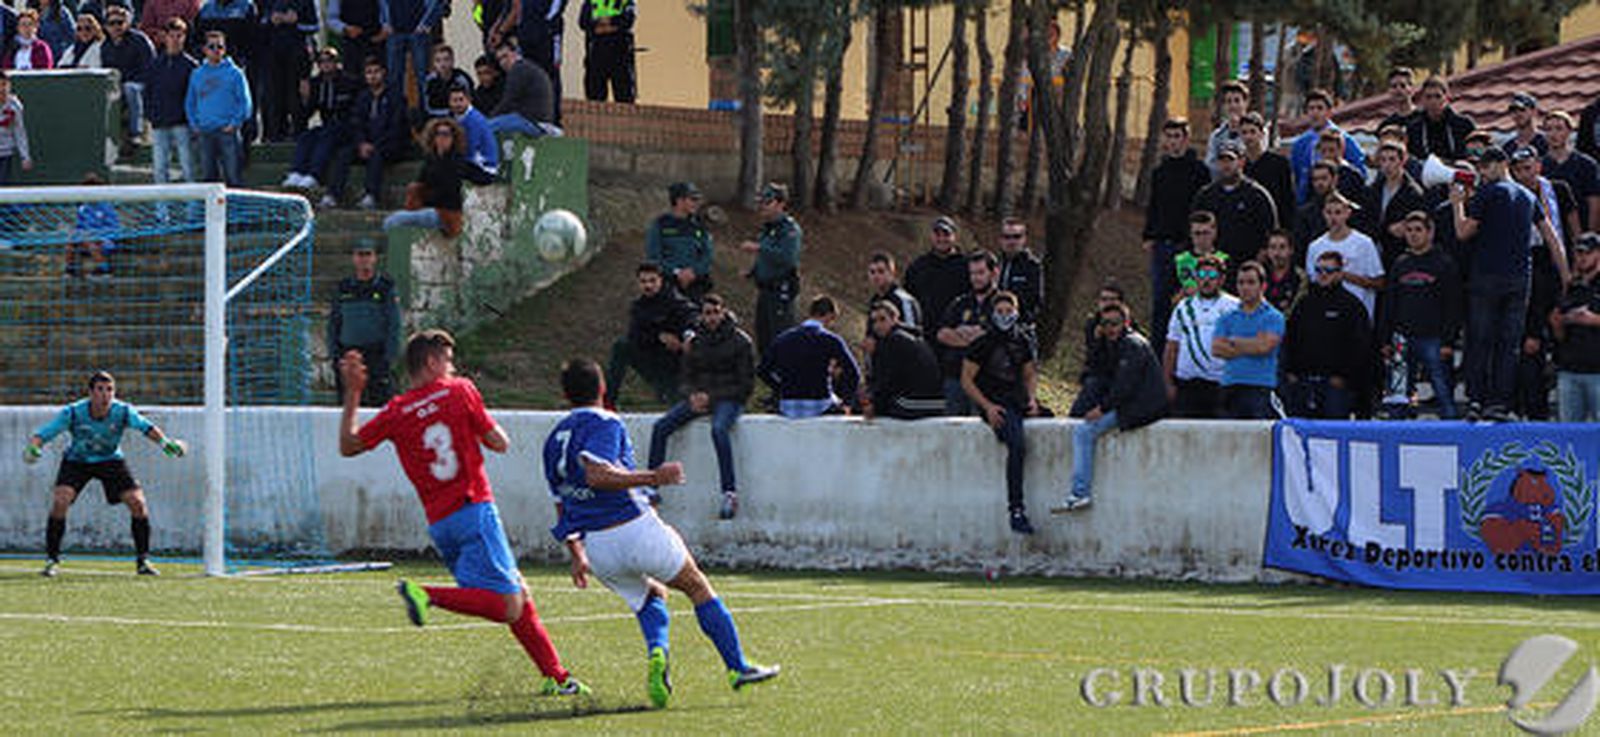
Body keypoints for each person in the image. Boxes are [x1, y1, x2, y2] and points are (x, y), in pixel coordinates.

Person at [338, 331, 590, 698]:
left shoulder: (396, 410)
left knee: (518, 593)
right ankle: (425, 594)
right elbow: (498, 441)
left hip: (441, 525)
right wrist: (486, 431)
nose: (452, 367)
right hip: (475, 510)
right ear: (432, 363)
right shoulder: (459, 390)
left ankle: (557, 676)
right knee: (508, 604)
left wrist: (353, 393)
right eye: (448, 360)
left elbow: (348, 446)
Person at [544, 357, 780, 710]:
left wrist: (577, 553)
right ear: (603, 389)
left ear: (565, 395)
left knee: (652, 596)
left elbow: (561, 503)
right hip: (632, 528)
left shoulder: (553, 440)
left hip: (599, 549)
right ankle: (737, 667)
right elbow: (598, 475)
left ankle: (658, 651)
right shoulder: (605, 421)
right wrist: (655, 477)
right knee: (696, 586)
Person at [24, 371, 188, 577]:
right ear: (90, 393)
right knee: (60, 500)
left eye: (109, 390)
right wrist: (33, 448)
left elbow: (146, 428)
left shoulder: (123, 411)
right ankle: (51, 560)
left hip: (111, 460)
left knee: (137, 503)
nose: (105, 395)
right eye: (100, 390)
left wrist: (165, 443)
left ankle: (143, 561)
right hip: (77, 461)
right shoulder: (74, 412)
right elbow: (45, 433)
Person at [1452, 146, 1570, 422]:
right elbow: (1552, 238)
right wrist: (1565, 276)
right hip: (1520, 278)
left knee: (1480, 340)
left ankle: (1476, 400)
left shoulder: (1488, 192)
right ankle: (1500, 404)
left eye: (1486, 166)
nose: (1482, 172)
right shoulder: (1529, 196)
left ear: (1500, 165)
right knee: (1509, 344)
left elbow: (1463, 232)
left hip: (1487, 276)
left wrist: (1457, 203)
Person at [647, 293, 754, 520]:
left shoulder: (741, 341)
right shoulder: (695, 342)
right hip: (700, 397)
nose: (712, 318)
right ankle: (652, 486)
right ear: (702, 316)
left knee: (718, 430)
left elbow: (745, 385)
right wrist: (692, 395)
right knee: (661, 426)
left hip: (729, 399)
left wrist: (711, 397)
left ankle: (729, 492)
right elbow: (685, 376)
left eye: (716, 312)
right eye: (707, 313)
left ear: (724, 312)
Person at [1054, 300, 1166, 514]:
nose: (1110, 328)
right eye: (1105, 324)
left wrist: (1102, 409)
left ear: (1126, 323)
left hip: (1143, 406)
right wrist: (1096, 342)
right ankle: (1079, 493)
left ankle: (1080, 493)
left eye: (1115, 323)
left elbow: (1124, 386)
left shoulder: (1133, 344)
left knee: (1084, 432)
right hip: (1131, 402)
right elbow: (1096, 371)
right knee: (1082, 426)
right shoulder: (1112, 344)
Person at [960, 291, 1040, 535]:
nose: (1005, 316)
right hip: (995, 403)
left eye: (1009, 311)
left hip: (1017, 400)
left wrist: (1032, 400)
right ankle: (1016, 508)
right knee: (1017, 444)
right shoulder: (982, 344)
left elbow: (1029, 374)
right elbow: (966, 379)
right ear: (992, 315)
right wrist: (987, 407)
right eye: (1000, 312)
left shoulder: (1023, 341)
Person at [1379, 211, 1461, 419]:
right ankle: (1398, 432)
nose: (1413, 235)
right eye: (1409, 230)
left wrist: (1448, 341)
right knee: (1399, 394)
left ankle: (1452, 432)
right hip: (1402, 338)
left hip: (1434, 338)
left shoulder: (1445, 263)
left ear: (1430, 232)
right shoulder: (1400, 264)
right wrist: (1385, 339)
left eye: (1418, 230)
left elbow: (1453, 306)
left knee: (1443, 391)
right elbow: (1389, 303)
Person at [1144, 118, 1212, 339]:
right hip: (1163, 244)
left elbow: (1204, 209)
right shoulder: (1159, 172)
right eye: (1169, 136)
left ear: (1186, 139)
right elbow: (1153, 205)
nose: (1173, 142)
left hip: (1189, 245)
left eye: (1177, 136)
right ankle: (1158, 353)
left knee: (1192, 298)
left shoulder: (1199, 171)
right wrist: (1149, 235)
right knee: (1161, 301)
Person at [1283, 250, 1371, 419]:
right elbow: (1291, 337)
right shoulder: (1304, 303)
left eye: (1329, 271)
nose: (1323, 275)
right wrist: (1291, 372)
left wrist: (1345, 377)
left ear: (1340, 273)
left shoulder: (1352, 306)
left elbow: (1361, 347)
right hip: (1304, 383)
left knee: (1333, 436)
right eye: (1319, 270)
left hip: (1335, 387)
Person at [383, 117, 497, 235]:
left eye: (446, 134)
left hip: (447, 214)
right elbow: (421, 185)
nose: (442, 138)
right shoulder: (430, 161)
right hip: (431, 210)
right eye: (438, 134)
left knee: (395, 220)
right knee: (394, 219)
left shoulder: (457, 162)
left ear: (454, 138)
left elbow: (482, 178)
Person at [605, 261, 697, 407]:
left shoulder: (674, 301)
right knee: (621, 347)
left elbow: (691, 316)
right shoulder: (638, 307)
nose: (648, 286)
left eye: (652, 281)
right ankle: (608, 402)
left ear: (661, 281)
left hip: (675, 364)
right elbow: (635, 336)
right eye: (643, 282)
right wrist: (659, 337)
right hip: (653, 361)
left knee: (676, 404)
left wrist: (687, 336)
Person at [757, 294, 860, 418]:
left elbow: (762, 370)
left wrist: (781, 387)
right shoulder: (831, 340)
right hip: (821, 403)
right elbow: (853, 373)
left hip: (788, 403)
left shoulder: (782, 339)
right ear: (830, 315)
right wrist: (847, 402)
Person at [1163, 253, 1237, 418]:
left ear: (1221, 279)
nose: (1206, 280)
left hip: (1220, 387)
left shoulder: (1234, 307)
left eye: (1212, 275)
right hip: (1187, 387)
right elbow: (1172, 346)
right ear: (1195, 277)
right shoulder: (1183, 307)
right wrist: (1167, 382)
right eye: (1202, 275)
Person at [327, 55, 405, 210]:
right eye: (369, 72)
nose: (373, 75)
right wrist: (361, 143)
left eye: (376, 71)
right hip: (366, 145)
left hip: (389, 145)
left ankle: (371, 196)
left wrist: (375, 145)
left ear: (384, 73)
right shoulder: (363, 98)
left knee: (377, 154)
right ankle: (332, 195)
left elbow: (397, 127)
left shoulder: (395, 97)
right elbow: (356, 124)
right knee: (344, 154)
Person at [328, 241, 400, 406]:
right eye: (360, 255)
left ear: (375, 258)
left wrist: (389, 357)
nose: (364, 260)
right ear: (354, 259)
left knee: (380, 405)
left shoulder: (385, 287)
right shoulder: (344, 288)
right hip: (349, 354)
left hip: (377, 355)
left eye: (368, 254)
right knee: (348, 405)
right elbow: (334, 322)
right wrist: (335, 355)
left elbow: (393, 324)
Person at [1211, 261, 1284, 419]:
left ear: (1263, 286)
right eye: (1241, 283)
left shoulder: (1273, 317)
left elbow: (1264, 347)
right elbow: (1216, 349)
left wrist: (1233, 341)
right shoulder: (1226, 318)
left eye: (1251, 282)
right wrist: (1253, 343)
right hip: (1230, 387)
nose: (1245, 287)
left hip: (1260, 390)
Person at [1190, 140, 1278, 267]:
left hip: (1247, 265)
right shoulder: (1206, 195)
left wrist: (1261, 257)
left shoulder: (1257, 195)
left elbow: (1271, 229)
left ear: (1241, 161)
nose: (1226, 165)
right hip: (1213, 266)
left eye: (1230, 160)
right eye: (1222, 161)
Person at [738, 182, 802, 354]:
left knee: (780, 337)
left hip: (780, 290)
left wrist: (759, 248)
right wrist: (751, 272)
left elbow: (786, 258)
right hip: (765, 289)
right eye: (762, 202)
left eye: (768, 202)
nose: (763, 206)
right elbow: (764, 259)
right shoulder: (769, 229)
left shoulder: (790, 230)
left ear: (781, 204)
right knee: (763, 336)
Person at [936, 251, 1001, 415]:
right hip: (955, 377)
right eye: (972, 273)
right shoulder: (960, 302)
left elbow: (998, 336)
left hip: (985, 380)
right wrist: (973, 338)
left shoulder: (1002, 303)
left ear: (994, 273)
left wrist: (960, 333)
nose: (975, 278)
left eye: (980, 273)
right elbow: (942, 334)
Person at [285, 47, 359, 190]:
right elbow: (307, 113)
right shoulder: (316, 83)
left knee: (327, 135)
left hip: (347, 126)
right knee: (307, 136)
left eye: (329, 61)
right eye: (322, 62)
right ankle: (297, 172)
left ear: (337, 63)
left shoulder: (349, 81)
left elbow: (356, 110)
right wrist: (304, 99)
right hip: (328, 125)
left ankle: (315, 175)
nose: (326, 64)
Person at [1304, 192, 1384, 321]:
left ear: (1347, 213)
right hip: (1326, 316)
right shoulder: (1315, 246)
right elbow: (1312, 282)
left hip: (1358, 316)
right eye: (1329, 212)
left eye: (1338, 212)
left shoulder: (1364, 243)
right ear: (1323, 214)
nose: (1333, 218)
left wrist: (1345, 276)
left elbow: (1379, 282)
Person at [185, 30, 250, 187]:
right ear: (204, 50)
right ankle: (211, 212)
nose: (216, 50)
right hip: (205, 132)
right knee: (208, 178)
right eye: (211, 46)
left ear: (225, 49)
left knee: (233, 177)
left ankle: (236, 210)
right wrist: (195, 124)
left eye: (220, 46)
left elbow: (245, 102)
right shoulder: (197, 74)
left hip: (228, 132)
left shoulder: (235, 73)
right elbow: (190, 102)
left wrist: (234, 123)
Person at [863, 300, 943, 421]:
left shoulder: (895, 340)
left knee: (877, 406)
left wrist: (874, 405)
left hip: (920, 402)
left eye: (882, 319)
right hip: (934, 401)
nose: (878, 325)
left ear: (895, 319)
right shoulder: (910, 337)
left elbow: (890, 380)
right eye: (874, 321)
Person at [1551, 232, 1600, 422]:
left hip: (1598, 372)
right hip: (1570, 370)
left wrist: (1592, 319)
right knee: (1568, 434)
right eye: (1579, 253)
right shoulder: (1571, 286)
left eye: (1587, 253)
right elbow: (1560, 333)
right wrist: (1558, 323)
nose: (1582, 258)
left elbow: (1589, 319)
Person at [1290, 88, 1367, 204]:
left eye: (1320, 108)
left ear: (1329, 112)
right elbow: (1298, 177)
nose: (1315, 113)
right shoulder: (1300, 144)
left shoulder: (1346, 140)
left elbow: (1360, 172)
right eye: (1311, 108)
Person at [146, 18, 197, 186]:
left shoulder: (191, 65)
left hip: (182, 124)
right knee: (160, 169)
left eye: (179, 35)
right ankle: (162, 212)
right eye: (172, 35)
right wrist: (151, 115)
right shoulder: (155, 64)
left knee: (188, 168)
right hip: (160, 123)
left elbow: (194, 96)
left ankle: (192, 211)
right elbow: (149, 92)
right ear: (165, 37)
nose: (175, 39)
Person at [258, 0, 319, 143]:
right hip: (272, 56)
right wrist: (271, 20)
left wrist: (296, 22)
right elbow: (259, 24)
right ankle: (276, 135)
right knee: (274, 96)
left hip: (298, 55)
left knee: (296, 96)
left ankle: (299, 134)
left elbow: (314, 26)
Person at [905, 215, 970, 342]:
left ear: (954, 236)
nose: (941, 239)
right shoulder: (918, 266)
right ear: (931, 236)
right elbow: (909, 299)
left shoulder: (965, 266)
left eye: (946, 234)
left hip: (956, 333)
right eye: (937, 234)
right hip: (925, 333)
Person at [646, 181, 714, 303]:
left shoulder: (700, 226)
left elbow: (707, 255)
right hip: (668, 284)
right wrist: (676, 272)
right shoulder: (661, 224)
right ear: (679, 201)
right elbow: (654, 256)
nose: (696, 203)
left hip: (696, 286)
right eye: (692, 199)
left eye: (697, 199)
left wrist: (693, 271)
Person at [1364, 141, 1427, 267]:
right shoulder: (1372, 190)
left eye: (1392, 159)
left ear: (1402, 161)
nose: (1387, 165)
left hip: (1399, 254)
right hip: (1373, 251)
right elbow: (1365, 219)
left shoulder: (1414, 193)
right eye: (1383, 160)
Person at [100, 5, 153, 152]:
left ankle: (136, 132)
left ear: (127, 23)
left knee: (131, 89)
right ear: (106, 26)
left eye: (120, 22)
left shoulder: (139, 40)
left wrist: (126, 83)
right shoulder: (106, 46)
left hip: (141, 83)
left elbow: (149, 68)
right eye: (112, 23)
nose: (116, 26)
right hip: (118, 84)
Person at [379, 0, 444, 109]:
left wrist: (427, 22)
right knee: (394, 78)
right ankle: (396, 116)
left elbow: (436, 3)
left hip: (418, 32)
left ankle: (426, 112)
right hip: (395, 31)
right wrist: (385, 23)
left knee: (423, 77)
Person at [510, 0, 567, 124]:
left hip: (548, 36)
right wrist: (519, 29)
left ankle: (553, 119)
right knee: (526, 74)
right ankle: (529, 115)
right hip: (525, 35)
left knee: (550, 75)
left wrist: (545, 26)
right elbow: (518, 7)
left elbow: (556, 7)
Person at [487, 40, 559, 138]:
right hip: (540, 122)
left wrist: (489, 118)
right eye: (499, 59)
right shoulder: (528, 67)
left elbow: (508, 102)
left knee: (485, 127)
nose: (503, 62)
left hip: (532, 122)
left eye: (505, 56)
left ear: (515, 53)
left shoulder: (518, 69)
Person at [1542, 110, 1600, 231]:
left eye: (1559, 129)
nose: (1553, 134)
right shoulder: (1538, 165)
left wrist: (1591, 233)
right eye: (1548, 129)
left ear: (1569, 131)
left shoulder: (1586, 164)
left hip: (1581, 228)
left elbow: (1594, 202)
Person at [1240, 111, 1293, 231]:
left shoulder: (1279, 164)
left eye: (1252, 132)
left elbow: (1288, 200)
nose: (1248, 137)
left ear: (1261, 134)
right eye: (1244, 132)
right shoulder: (1239, 166)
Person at [1405, 76, 1476, 164]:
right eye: (1428, 97)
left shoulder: (1464, 125)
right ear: (1422, 99)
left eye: (1438, 96)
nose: (1433, 101)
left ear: (1446, 98)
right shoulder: (1414, 129)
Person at [578, 0, 634, 103]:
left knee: (624, 95)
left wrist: (601, 24)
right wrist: (611, 25)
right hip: (596, 51)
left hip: (620, 52)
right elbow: (583, 22)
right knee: (595, 95)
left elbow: (627, 20)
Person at [66, 173, 119, 280]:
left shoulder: (106, 207)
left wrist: (99, 237)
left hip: (104, 240)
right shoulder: (83, 208)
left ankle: (105, 270)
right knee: (71, 240)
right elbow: (79, 226)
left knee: (88, 241)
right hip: (86, 239)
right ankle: (69, 270)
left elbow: (113, 228)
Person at [995, 217, 1043, 328]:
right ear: (1001, 239)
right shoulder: (995, 264)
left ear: (1024, 239)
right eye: (1007, 237)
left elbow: (1036, 301)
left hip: (1021, 326)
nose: (1012, 241)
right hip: (995, 326)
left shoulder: (1033, 266)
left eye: (1016, 237)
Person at [864, 250, 921, 337]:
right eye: (872, 272)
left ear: (891, 273)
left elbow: (915, 333)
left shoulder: (904, 300)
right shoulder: (874, 301)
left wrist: (894, 326)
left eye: (881, 271)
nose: (876, 276)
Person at [449, 83, 498, 178]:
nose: (458, 104)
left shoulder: (474, 120)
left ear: (469, 100)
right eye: (454, 100)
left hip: (484, 168)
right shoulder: (455, 117)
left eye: (461, 100)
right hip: (472, 164)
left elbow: (470, 149)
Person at [1205, 79, 1250, 176]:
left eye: (1237, 101)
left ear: (1246, 103)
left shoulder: (1258, 132)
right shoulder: (1216, 136)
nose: (1233, 106)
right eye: (1229, 101)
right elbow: (1210, 165)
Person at [327, 0, 383, 77]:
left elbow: (385, 11)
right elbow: (331, 19)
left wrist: (385, 29)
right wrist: (345, 28)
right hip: (351, 44)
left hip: (375, 40)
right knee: (352, 79)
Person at [422, 42, 474, 121]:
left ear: (452, 61)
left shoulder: (461, 79)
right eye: (438, 61)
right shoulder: (430, 81)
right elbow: (427, 106)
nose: (442, 64)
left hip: (458, 118)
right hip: (436, 117)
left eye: (446, 60)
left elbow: (468, 104)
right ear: (433, 63)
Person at [1260, 228, 1305, 314]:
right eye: (1273, 247)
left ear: (1291, 250)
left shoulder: (1300, 277)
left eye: (1282, 247)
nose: (1277, 253)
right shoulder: (1260, 274)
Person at [0, 70, 33, 184]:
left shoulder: (14, 105)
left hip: (5, 153)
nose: (1, 89)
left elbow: (19, 132)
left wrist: (25, 156)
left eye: (4, 85)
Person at [1501, 91, 1548, 158]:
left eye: (1522, 110)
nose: (1518, 114)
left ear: (1534, 111)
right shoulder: (1508, 148)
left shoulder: (1546, 143)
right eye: (1513, 111)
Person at [1379, 66, 1417, 133]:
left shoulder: (1423, 118)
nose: (1398, 90)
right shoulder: (1387, 124)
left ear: (1412, 89)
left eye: (1403, 86)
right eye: (1394, 86)